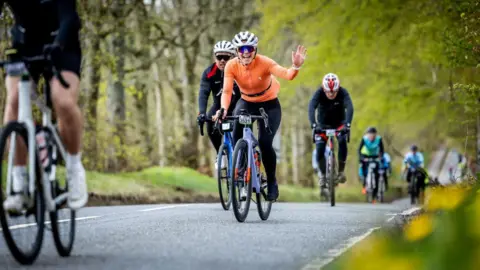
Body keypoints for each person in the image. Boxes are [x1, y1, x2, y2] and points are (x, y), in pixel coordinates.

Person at [1, 0, 87, 211]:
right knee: (13, 101)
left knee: (63, 101)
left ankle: (74, 169)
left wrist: (58, 44)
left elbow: (69, 17)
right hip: (24, 45)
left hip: (62, 42)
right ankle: (19, 184)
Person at [214, 31, 306, 201]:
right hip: (246, 102)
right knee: (235, 134)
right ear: (236, 51)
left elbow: (287, 75)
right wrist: (223, 109)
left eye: (249, 48)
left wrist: (296, 67)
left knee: (264, 143)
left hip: (269, 105)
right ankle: (241, 170)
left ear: (255, 49)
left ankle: (271, 181)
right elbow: (227, 91)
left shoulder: (265, 62)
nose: (246, 52)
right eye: (241, 49)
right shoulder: (231, 66)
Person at [197, 40, 240, 170]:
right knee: (210, 120)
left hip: (239, 104)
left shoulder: (240, 69)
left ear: (233, 57)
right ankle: (220, 154)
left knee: (239, 130)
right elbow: (203, 93)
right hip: (218, 106)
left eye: (226, 57)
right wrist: (202, 112)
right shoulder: (209, 72)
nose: (222, 60)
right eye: (219, 57)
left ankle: (243, 156)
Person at [309, 73, 353, 189]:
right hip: (322, 125)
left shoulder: (343, 92)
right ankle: (323, 175)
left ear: (338, 88)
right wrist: (314, 125)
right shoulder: (319, 93)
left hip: (339, 124)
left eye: (334, 92)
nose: (331, 94)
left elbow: (349, 107)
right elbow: (311, 107)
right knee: (319, 149)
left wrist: (347, 124)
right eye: (328, 92)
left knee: (342, 141)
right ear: (324, 89)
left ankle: (341, 171)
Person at [358, 127, 385, 196]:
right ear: (367, 135)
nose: (372, 136)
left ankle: (375, 193)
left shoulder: (379, 139)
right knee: (364, 171)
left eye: (373, 135)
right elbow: (359, 149)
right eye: (370, 134)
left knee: (377, 173)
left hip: (375, 156)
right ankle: (364, 185)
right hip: (365, 156)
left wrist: (381, 157)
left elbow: (382, 150)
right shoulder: (364, 139)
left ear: (376, 135)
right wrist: (361, 158)